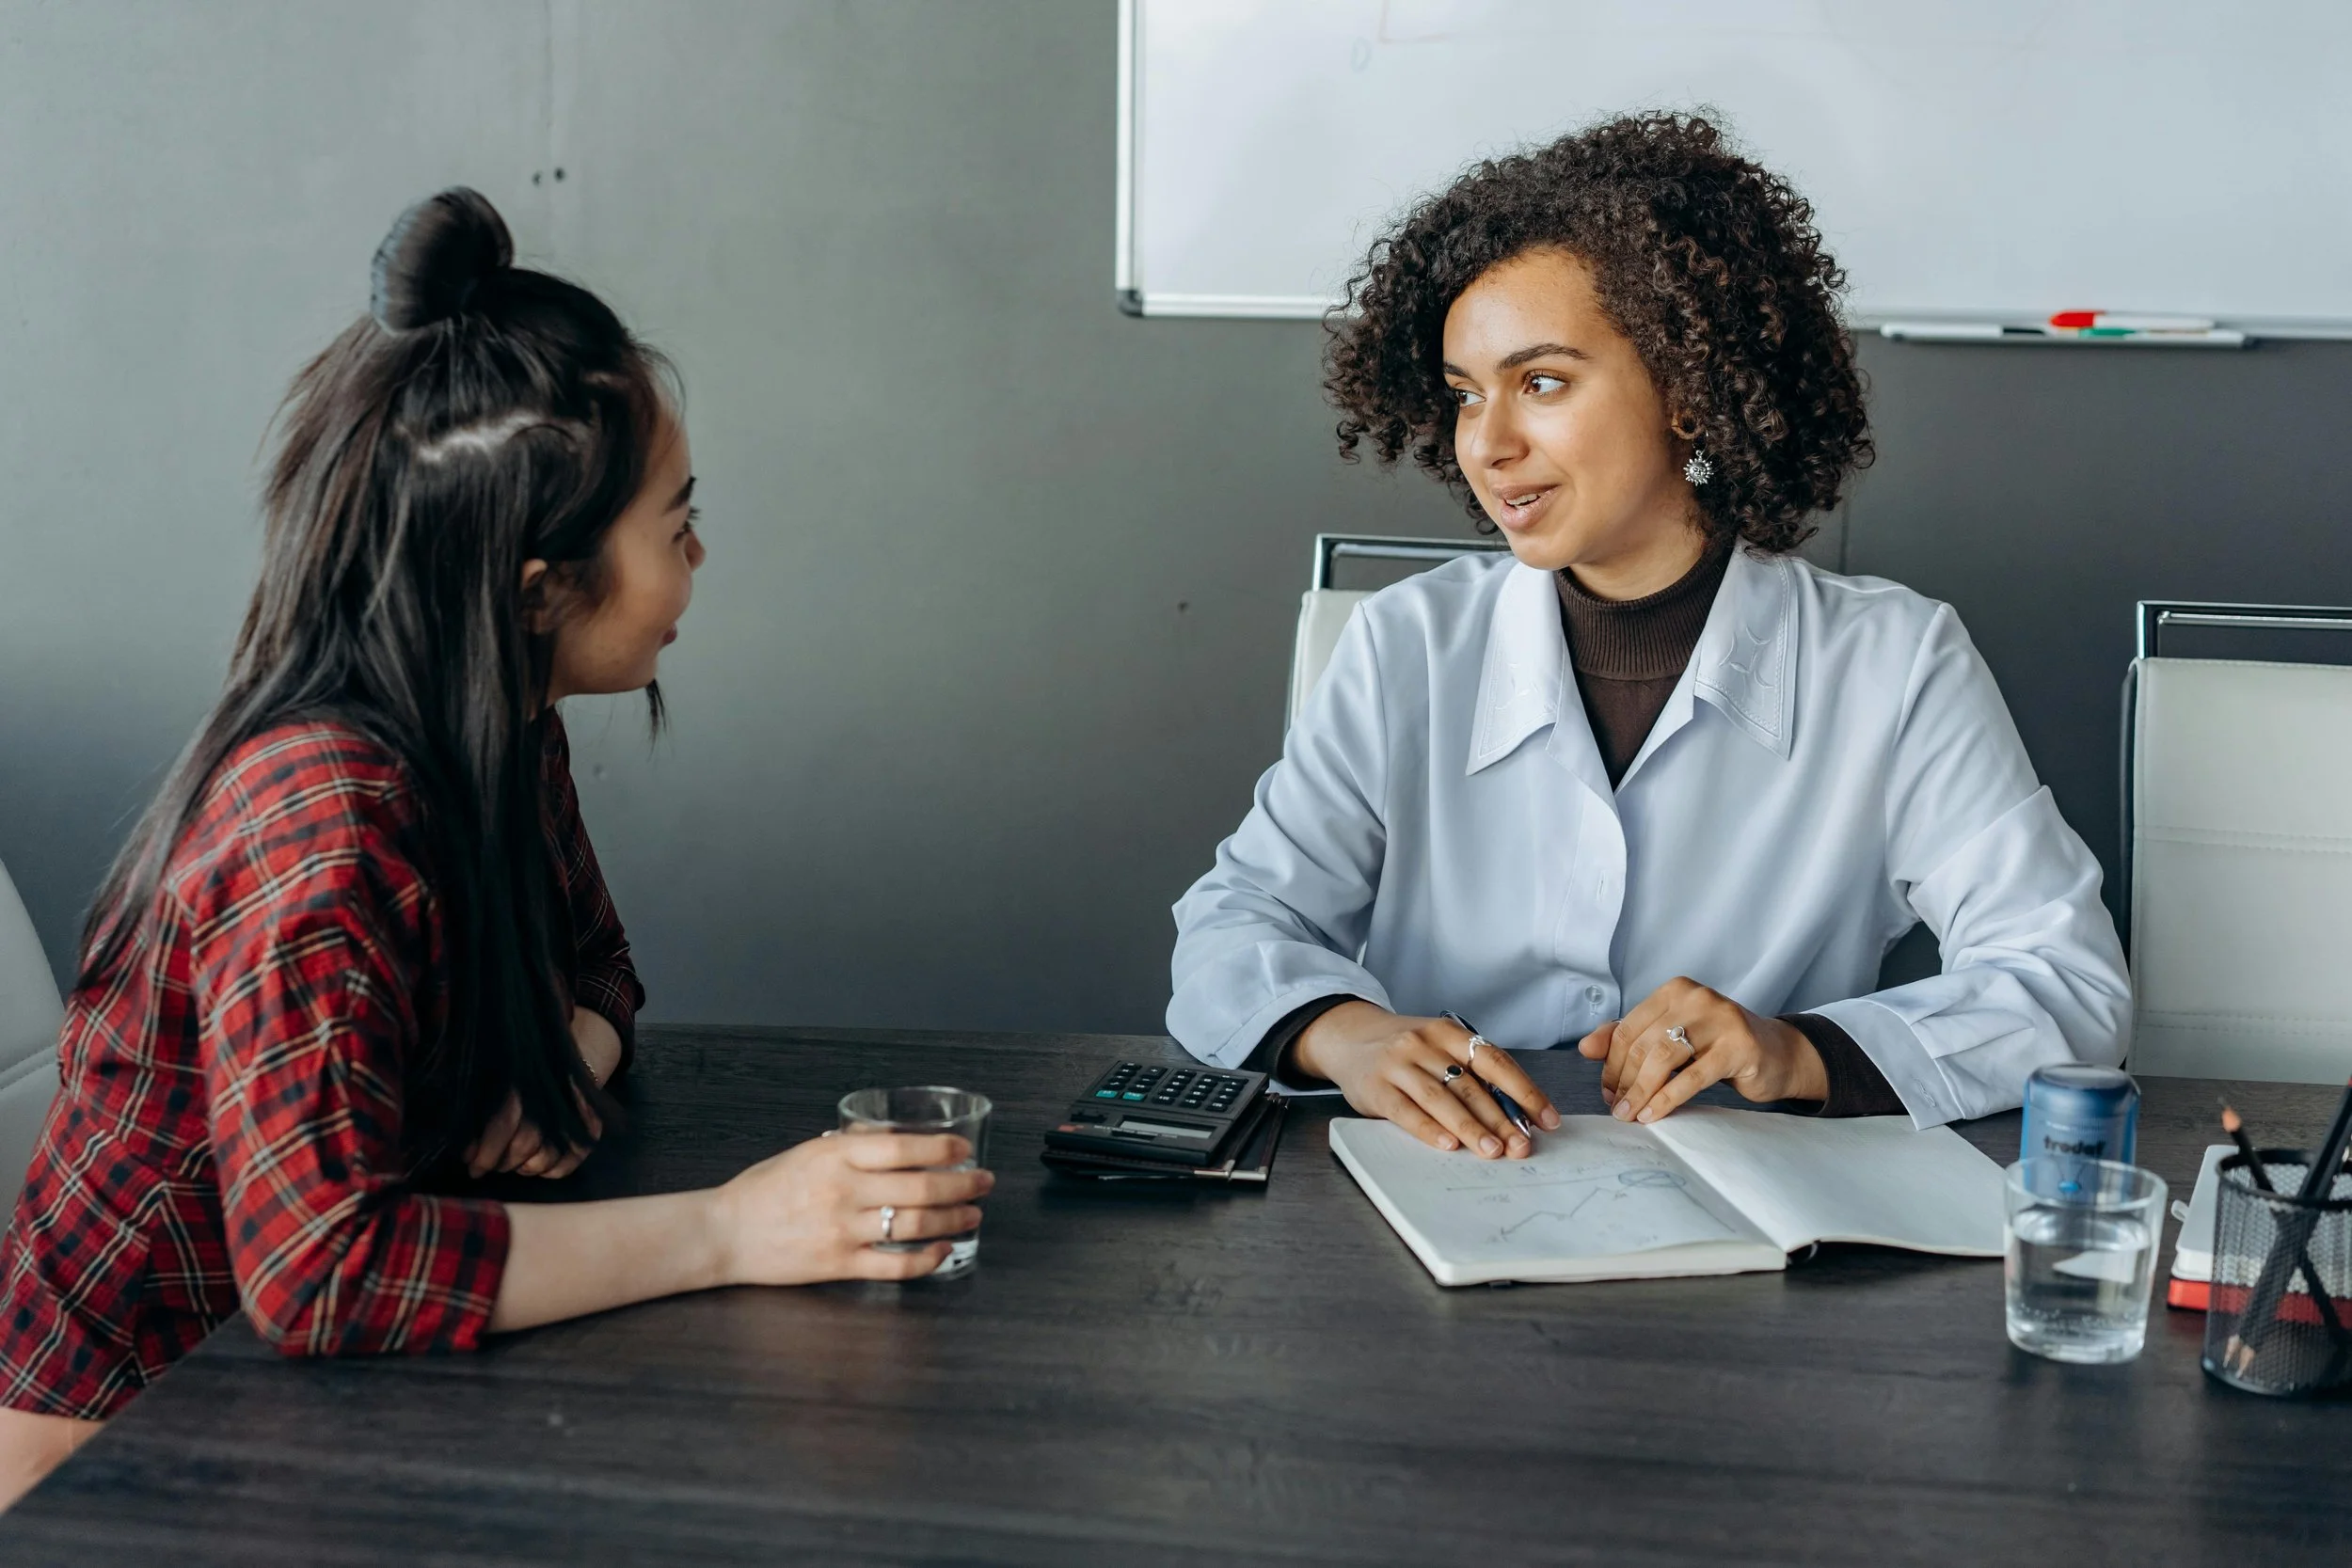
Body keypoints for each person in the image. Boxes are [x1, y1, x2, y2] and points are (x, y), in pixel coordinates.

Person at [0, 190, 991, 1505]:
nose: (700, 559)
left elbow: (605, 970)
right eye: (675, 523)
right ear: (538, 587)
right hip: (118, 1445)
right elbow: (320, 1272)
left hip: (312, 1403)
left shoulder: (497, 726)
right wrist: (734, 1226)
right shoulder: (320, 825)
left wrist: (558, 1063)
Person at [1168, 114, 2129, 1162]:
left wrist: (1794, 1049)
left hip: (1753, 1207)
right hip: (1446, 1185)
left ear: (1686, 386)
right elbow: (1233, 924)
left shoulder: (1895, 661)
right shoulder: (1404, 642)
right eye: (1463, 395)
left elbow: (2065, 981)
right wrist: (1338, 1032)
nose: (1487, 445)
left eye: (1540, 382)